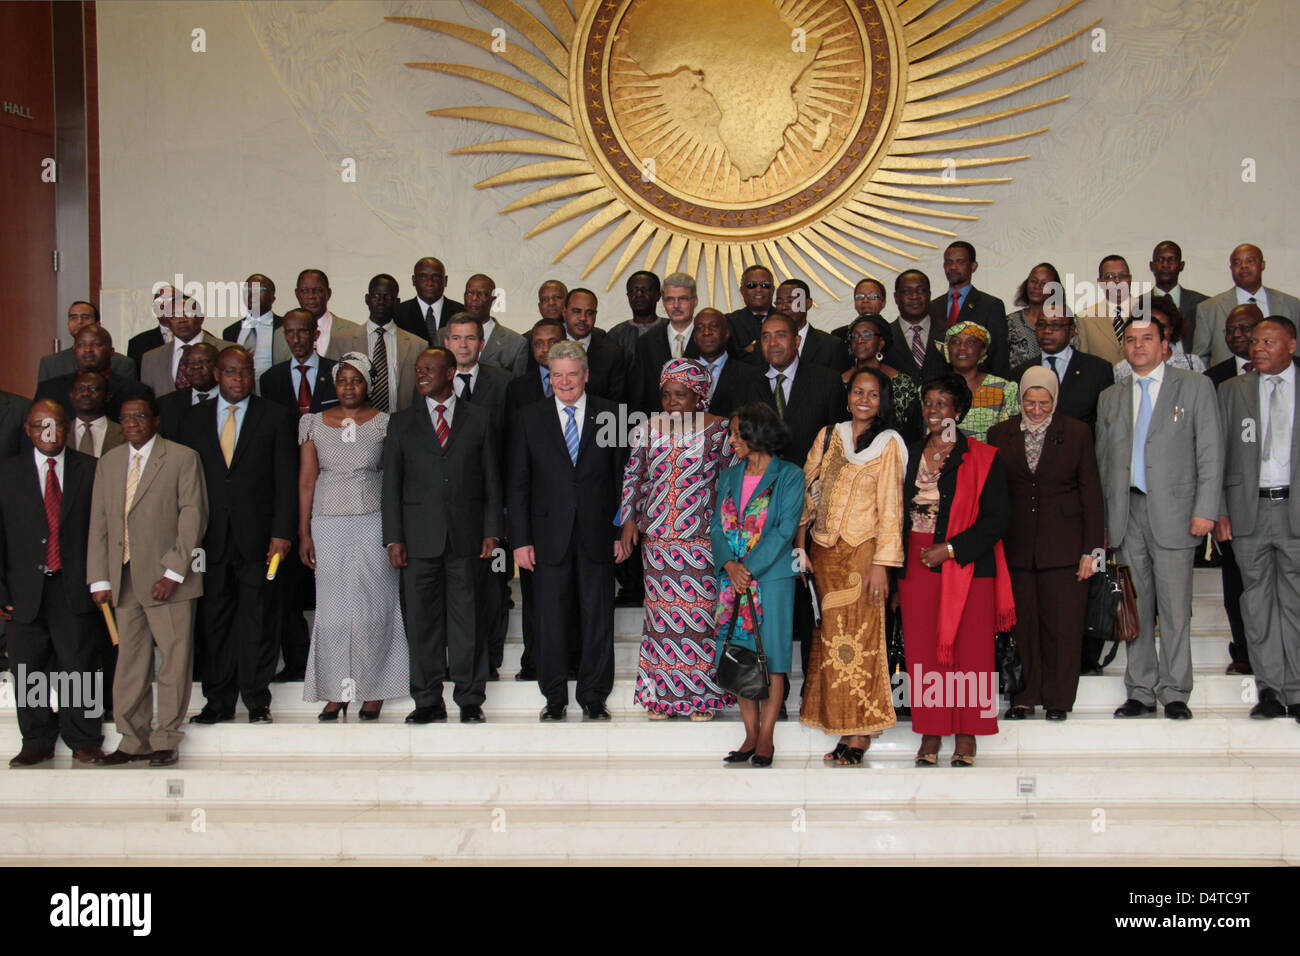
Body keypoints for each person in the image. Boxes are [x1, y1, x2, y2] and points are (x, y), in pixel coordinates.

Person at [1097, 317, 1222, 720]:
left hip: (1177, 512)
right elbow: (1103, 462)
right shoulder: (1111, 397)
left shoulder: (1195, 387)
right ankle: (1140, 690)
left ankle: (1175, 691)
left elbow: (1210, 452)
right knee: (1134, 604)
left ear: (1165, 344)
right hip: (1126, 513)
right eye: (1130, 340)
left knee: (1173, 607)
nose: (1138, 346)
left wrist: (1206, 509)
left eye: (1147, 338)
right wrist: (1104, 519)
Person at [508, 342, 626, 721]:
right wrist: (521, 539)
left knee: (597, 617)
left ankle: (594, 696)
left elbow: (625, 479)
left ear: (585, 375)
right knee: (550, 619)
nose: (564, 382)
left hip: (598, 534)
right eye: (556, 375)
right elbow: (519, 484)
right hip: (546, 538)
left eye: (571, 374)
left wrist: (622, 531)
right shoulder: (529, 417)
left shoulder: (612, 414)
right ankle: (555, 697)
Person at [901, 373, 1013, 768]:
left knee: (970, 651)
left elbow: (997, 519)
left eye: (942, 404)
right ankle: (932, 731)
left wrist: (949, 549)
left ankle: (966, 734)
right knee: (923, 651)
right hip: (915, 565)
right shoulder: (908, 453)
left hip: (965, 564)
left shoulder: (984, 457)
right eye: (928, 402)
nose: (933, 411)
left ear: (959, 411)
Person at [89, 394, 208, 767]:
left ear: (155, 420)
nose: (132, 423)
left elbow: (193, 517)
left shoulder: (182, 457)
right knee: (130, 662)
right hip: (122, 580)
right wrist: (98, 579)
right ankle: (132, 740)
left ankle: (166, 738)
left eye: (140, 416)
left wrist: (174, 572)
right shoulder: (109, 463)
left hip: (168, 579)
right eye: (126, 418)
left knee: (173, 659)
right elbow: (99, 524)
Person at [181, 346, 296, 725]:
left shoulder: (276, 416)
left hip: (261, 539)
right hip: (209, 539)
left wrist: (282, 532)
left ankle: (256, 700)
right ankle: (218, 701)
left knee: (259, 619)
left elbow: (285, 480)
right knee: (214, 621)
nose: (239, 379)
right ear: (216, 373)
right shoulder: (192, 420)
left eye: (245, 372)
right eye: (231, 372)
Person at [616, 359, 737, 719]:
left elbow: (731, 482)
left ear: (699, 395)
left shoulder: (721, 430)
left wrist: (729, 532)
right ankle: (663, 699)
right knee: (661, 619)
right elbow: (633, 476)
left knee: (701, 621)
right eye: (666, 394)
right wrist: (628, 522)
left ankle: (703, 698)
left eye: (680, 395)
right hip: (658, 541)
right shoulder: (646, 429)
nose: (671, 402)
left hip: (702, 540)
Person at [384, 348, 500, 723]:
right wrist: (393, 538)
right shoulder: (400, 423)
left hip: (467, 538)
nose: (421, 375)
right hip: (417, 541)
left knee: (469, 621)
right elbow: (391, 487)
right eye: (418, 370)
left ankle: (469, 698)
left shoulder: (479, 419)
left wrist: (492, 530)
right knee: (421, 624)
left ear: (450, 372)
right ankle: (427, 701)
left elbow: (491, 482)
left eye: (429, 369)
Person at [796, 368, 905, 763]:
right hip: (824, 554)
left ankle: (859, 733)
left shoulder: (889, 443)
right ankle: (839, 724)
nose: (864, 399)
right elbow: (806, 494)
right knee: (831, 643)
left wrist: (884, 565)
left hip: (865, 556)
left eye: (872, 394)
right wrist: (800, 545)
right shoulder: (829, 437)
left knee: (860, 643)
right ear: (848, 397)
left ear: (882, 401)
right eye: (858, 392)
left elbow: (892, 507)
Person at [296, 353, 407, 720]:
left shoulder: (386, 424)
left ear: (368, 385)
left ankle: (374, 689)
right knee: (333, 611)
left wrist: (395, 534)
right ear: (334, 384)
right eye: (342, 380)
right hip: (327, 522)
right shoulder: (312, 423)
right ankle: (337, 690)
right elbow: (307, 480)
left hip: (373, 520)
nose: (348, 387)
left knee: (375, 608)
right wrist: (303, 531)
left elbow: (394, 480)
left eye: (356, 380)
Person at [988, 367, 1103, 720]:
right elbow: (993, 494)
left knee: (1063, 626)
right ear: (1019, 399)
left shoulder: (1077, 433)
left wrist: (1092, 551)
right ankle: (1024, 695)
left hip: (1066, 547)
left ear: (1055, 400)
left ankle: (1058, 698)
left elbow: (1091, 493)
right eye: (1029, 402)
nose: (1036, 410)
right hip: (1016, 546)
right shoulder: (1000, 433)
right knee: (1022, 626)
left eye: (1044, 402)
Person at [0, 401, 104, 766]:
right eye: (41, 425)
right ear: (28, 430)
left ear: (68, 428)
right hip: (22, 590)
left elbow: (104, 531)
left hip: (74, 586)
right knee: (29, 667)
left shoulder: (91, 470)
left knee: (81, 666)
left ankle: (85, 738)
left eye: (57, 424)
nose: (50, 432)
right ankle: (37, 739)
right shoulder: (6, 473)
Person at [1215, 318, 1300, 721]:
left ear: (1292, 345)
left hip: (1295, 511)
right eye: (1255, 341)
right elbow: (1216, 454)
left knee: (1295, 604)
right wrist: (1219, 509)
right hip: (1248, 511)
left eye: (1269, 341)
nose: (1258, 346)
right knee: (1257, 604)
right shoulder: (1233, 390)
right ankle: (1269, 690)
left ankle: (1297, 691)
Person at [711, 403, 804, 766]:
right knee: (739, 655)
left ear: (757, 433)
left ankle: (767, 738)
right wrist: (730, 566)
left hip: (772, 579)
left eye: (738, 433)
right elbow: (717, 526)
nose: (732, 440)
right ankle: (749, 735)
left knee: (773, 658)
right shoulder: (730, 476)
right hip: (732, 581)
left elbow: (784, 529)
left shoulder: (789, 475)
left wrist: (746, 569)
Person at [444, 313, 512, 679]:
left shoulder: (502, 383)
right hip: (446, 509)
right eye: (456, 338)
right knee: (452, 589)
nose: (463, 345)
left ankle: (490, 661)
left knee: (493, 585)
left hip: (492, 504)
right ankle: (452, 661)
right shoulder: (431, 380)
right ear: (447, 343)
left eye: (470, 338)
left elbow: (513, 443)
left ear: (481, 344)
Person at [504, 318, 569, 682]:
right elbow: (512, 456)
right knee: (534, 594)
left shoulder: (588, 390)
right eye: (539, 344)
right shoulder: (518, 389)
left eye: (553, 342)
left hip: (574, 511)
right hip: (535, 511)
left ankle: (568, 659)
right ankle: (533, 660)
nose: (546, 350)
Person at [1206, 303, 1266, 676]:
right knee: (1236, 584)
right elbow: (1213, 449)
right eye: (1231, 331)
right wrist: (1218, 507)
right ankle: (1243, 650)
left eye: (1246, 329)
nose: (1239, 337)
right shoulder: (1215, 380)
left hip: (1285, 504)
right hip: (1235, 503)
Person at [1193, 244, 1300, 365]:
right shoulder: (1209, 308)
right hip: (1226, 381)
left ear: (1262, 265)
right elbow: (1200, 359)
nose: (1244, 266)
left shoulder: (1291, 304)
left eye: (1250, 261)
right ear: (1231, 268)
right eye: (1237, 263)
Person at [332, 274, 423, 414]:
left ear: (397, 302)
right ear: (367, 299)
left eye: (387, 297)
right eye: (376, 296)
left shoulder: (418, 345)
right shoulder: (341, 341)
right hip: (355, 424)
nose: (381, 301)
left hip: (401, 425)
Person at [1011, 309, 1113, 432]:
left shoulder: (1098, 369)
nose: (1047, 331)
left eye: (1056, 325)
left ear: (1071, 330)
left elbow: (1107, 424)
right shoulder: (1019, 373)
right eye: (1041, 324)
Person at [928, 241, 1011, 376]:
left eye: (960, 262)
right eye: (948, 262)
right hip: (941, 386)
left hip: (979, 386)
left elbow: (999, 354)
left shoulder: (991, 305)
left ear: (973, 266)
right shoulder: (932, 307)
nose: (953, 267)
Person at [34, 325, 147, 423]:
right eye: (81, 345)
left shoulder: (136, 392)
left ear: (112, 352)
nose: (88, 349)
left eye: (96, 344)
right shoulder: (49, 390)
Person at [630, 272, 702, 413]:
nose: (676, 305)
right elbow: (638, 394)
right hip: (658, 425)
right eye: (670, 299)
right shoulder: (646, 342)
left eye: (683, 299)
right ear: (663, 303)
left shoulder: (707, 339)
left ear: (695, 301)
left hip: (700, 426)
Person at [842, 313, 921, 441]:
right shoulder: (839, 381)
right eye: (855, 336)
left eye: (867, 335)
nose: (860, 340)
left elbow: (911, 430)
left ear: (881, 343)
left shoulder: (902, 383)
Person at [139, 292, 233, 398]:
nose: (182, 320)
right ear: (168, 322)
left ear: (201, 318)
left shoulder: (228, 350)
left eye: (189, 314)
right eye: (174, 316)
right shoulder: (151, 358)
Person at [437, 274, 528, 377]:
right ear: (464, 297)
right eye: (470, 293)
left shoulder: (516, 343)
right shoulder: (442, 335)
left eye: (481, 294)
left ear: (493, 300)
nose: (475, 298)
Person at [943, 320, 1018, 441]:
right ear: (947, 349)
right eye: (955, 342)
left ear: (982, 351)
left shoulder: (1004, 389)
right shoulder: (933, 389)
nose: (962, 347)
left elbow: (1011, 438)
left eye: (970, 342)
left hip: (989, 459)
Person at [258, 309, 339, 417]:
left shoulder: (337, 372)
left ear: (316, 334)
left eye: (302, 331)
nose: (296, 339)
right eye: (289, 332)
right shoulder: (270, 378)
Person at [271, 269, 360, 363]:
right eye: (305, 291)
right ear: (297, 294)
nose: (311, 296)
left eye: (317, 290)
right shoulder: (280, 334)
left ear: (329, 293)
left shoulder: (352, 331)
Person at [39, 301, 136, 382]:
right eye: (74, 317)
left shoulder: (122, 363)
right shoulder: (50, 364)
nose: (79, 322)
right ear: (68, 324)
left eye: (85, 317)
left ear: (98, 324)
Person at [693, 307, 763, 418]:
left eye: (713, 326)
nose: (706, 332)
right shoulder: (682, 374)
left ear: (726, 333)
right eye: (700, 328)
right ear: (694, 337)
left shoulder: (750, 376)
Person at [1114, 295, 1205, 381]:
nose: (1157, 333)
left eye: (1162, 327)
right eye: (1149, 327)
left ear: (1171, 329)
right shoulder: (1123, 368)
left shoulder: (1192, 363)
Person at [766, 279, 849, 372]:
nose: (783, 307)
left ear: (808, 303)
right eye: (779, 302)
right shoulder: (765, 345)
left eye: (790, 301)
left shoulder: (832, 346)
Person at [564, 288, 627, 404]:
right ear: (564, 312)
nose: (583, 318)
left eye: (589, 313)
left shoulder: (612, 354)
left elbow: (616, 403)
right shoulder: (549, 348)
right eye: (577, 311)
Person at [1005, 263, 1068, 371]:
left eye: (1044, 283)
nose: (1037, 287)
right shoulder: (1009, 322)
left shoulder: (1068, 321)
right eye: (1033, 281)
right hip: (1019, 383)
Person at [1075, 255, 1135, 366]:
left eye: (1123, 275)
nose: (1117, 281)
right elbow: (1083, 363)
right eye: (1110, 276)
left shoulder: (1148, 311)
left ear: (1130, 278)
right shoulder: (1085, 318)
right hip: (1103, 383)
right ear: (1100, 282)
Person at [223, 274, 282, 389]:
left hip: (276, 394)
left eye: (259, 289)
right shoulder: (230, 331)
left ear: (273, 298)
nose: (251, 294)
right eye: (248, 289)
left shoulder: (284, 327)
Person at [890, 270, 947, 384]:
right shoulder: (884, 336)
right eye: (907, 291)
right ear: (896, 297)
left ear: (929, 295)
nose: (914, 296)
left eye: (921, 290)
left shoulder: (949, 333)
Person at [1148, 241, 1207, 350]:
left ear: (1181, 265)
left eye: (1171, 260)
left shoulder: (1203, 304)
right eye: (1160, 260)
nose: (1165, 265)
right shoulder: (1138, 304)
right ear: (1151, 266)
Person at [158, 343, 221, 439]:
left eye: (203, 361)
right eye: (189, 363)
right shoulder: (166, 404)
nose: (195, 367)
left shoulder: (231, 400)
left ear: (218, 365)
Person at [394, 257, 464, 344]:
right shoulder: (398, 313)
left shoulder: (461, 312)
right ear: (414, 280)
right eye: (423, 277)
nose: (429, 283)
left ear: (445, 281)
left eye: (436, 277)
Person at [607, 271, 663, 363]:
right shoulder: (616, 335)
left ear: (658, 295)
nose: (639, 294)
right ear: (628, 296)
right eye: (633, 290)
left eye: (645, 290)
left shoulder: (670, 329)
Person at [67, 372, 125, 458]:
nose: (86, 393)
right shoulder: (60, 433)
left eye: (93, 389)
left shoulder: (125, 433)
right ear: (71, 396)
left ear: (107, 396)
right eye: (80, 389)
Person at [724, 265, 775, 356]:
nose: (759, 290)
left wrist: (752, 348)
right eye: (752, 285)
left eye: (765, 285)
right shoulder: (729, 321)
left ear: (772, 290)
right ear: (742, 290)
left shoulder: (785, 320)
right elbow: (731, 357)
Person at [829, 277, 889, 343]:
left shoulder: (894, 333)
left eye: (872, 296)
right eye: (860, 296)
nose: (865, 300)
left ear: (883, 302)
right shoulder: (839, 336)